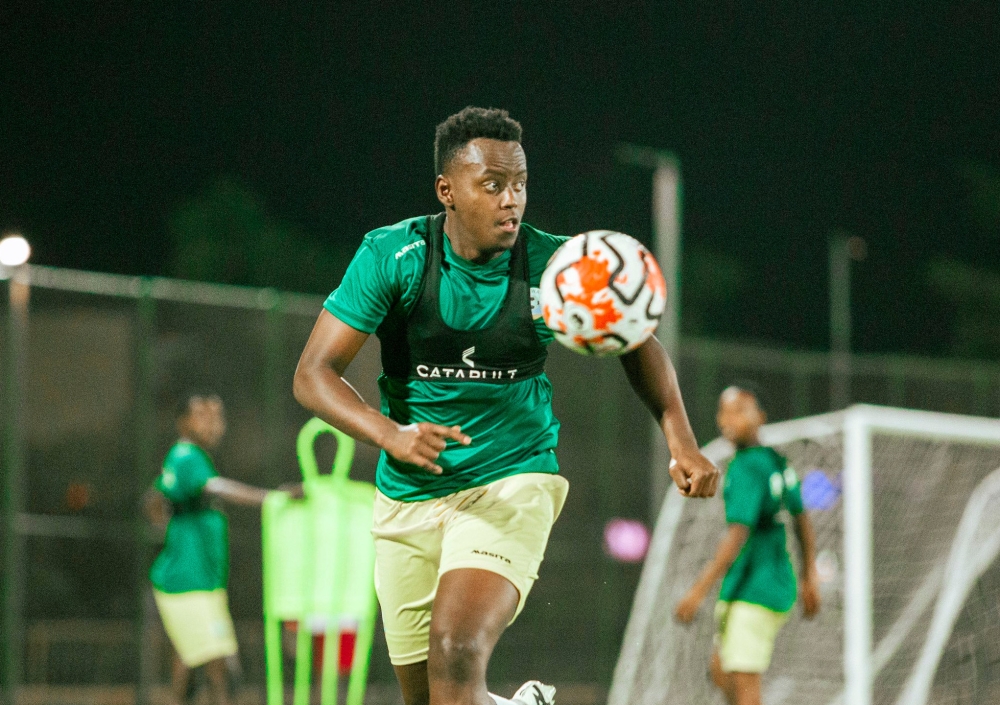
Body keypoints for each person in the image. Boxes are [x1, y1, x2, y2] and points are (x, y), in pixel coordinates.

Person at [293, 106, 719, 705]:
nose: (511, 200)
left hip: (512, 480)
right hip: (409, 493)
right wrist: (390, 433)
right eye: (492, 185)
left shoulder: (560, 267)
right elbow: (313, 375)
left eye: (519, 184)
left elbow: (637, 342)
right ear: (447, 191)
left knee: (456, 650)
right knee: (435, 698)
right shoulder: (394, 256)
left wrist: (681, 436)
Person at [674, 385, 821, 705]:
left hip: (755, 589)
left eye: (740, 410)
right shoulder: (777, 462)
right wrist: (809, 575)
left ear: (761, 418)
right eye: (723, 411)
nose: (729, 418)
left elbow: (737, 535)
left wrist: (698, 590)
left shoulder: (745, 467)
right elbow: (801, 520)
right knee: (720, 670)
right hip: (769, 586)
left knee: (743, 684)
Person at [145, 393, 281, 705]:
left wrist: (163, 516)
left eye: (215, 416)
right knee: (220, 667)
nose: (211, 423)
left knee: (191, 667)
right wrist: (270, 498)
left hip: (201, 582)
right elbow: (214, 487)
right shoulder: (185, 455)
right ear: (183, 422)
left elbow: (153, 497)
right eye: (201, 415)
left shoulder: (187, 460)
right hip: (187, 583)